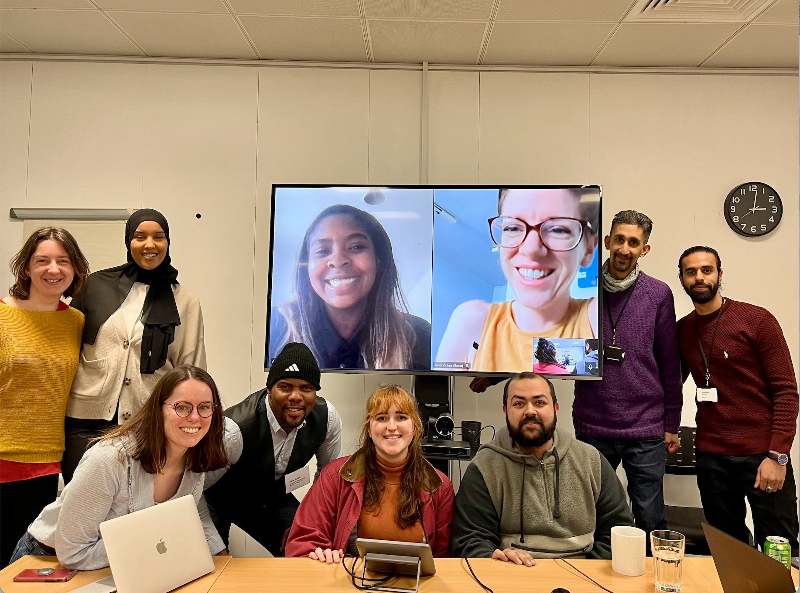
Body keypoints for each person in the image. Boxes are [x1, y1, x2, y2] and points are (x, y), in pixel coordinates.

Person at [9, 365, 231, 570]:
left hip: (114, 566)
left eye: (204, 407)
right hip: (48, 562)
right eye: (181, 407)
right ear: (159, 409)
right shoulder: (108, 459)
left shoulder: (195, 462)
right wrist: (158, 538)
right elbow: (73, 553)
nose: (194, 417)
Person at [62, 208, 206, 485]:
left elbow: (192, 371)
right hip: (85, 422)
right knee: (81, 507)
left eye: (158, 237)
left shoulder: (186, 301)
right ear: (129, 241)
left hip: (145, 423)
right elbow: (67, 346)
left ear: (168, 242)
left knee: (130, 515)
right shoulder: (95, 286)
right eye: (140, 236)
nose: (149, 244)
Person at [677, 246, 799, 554]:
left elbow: (786, 391)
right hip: (711, 458)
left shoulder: (756, 320)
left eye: (706, 270)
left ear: (720, 274)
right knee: (728, 551)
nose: (699, 278)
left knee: (779, 549)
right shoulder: (683, 330)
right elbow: (666, 383)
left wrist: (778, 456)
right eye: (691, 272)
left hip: (762, 456)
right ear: (682, 279)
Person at [572, 210, 682, 544]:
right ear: (607, 242)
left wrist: (671, 424)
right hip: (593, 424)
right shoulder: (581, 288)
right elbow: (547, 343)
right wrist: (493, 378)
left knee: (650, 517)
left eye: (633, 242)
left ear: (644, 249)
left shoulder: (658, 293)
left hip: (645, 428)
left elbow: (669, 362)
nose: (624, 248)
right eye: (619, 239)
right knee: (588, 515)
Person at [452, 372, 632, 564]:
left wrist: (586, 578)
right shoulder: (484, 467)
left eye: (539, 402)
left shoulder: (591, 460)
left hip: (584, 577)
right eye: (519, 403)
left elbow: (618, 533)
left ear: (555, 408)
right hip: (513, 575)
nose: (530, 411)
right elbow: (470, 541)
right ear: (505, 411)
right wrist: (494, 560)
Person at [0, 227, 90, 568]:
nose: (53, 269)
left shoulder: (76, 322)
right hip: (1, 455)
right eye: (43, 261)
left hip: (46, 460)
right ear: (26, 268)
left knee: (24, 566)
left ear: (75, 269)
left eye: (63, 261)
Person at [436, 187, 599, 373]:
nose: (530, 248)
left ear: (588, 250)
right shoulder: (470, 320)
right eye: (512, 227)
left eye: (558, 230)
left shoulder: (597, 319)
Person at [285, 384, 454, 562]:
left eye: (401, 417)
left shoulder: (440, 486)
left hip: (417, 587)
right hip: (351, 584)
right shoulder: (334, 476)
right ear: (369, 428)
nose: (391, 427)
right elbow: (303, 543)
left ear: (416, 427)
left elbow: (446, 559)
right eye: (381, 418)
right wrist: (320, 555)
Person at [204, 342, 343, 556]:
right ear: (269, 390)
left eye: (306, 388)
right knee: (211, 573)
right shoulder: (233, 430)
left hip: (271, 498)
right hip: (218, 500)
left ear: (315, 392)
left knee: (310, 550)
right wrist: (215, 547)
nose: (296, 396)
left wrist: (310, 521)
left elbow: (328, 480)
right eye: (285, 386)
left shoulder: (328, 419)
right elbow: (195, 490)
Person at [270, 204, 431, 370]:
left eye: (356, 247)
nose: (338, 261)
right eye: (323, 251)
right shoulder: (273, 326)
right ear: (306, 266)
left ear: (379, 260)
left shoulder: (420, 335)